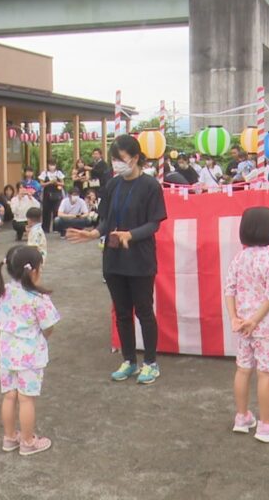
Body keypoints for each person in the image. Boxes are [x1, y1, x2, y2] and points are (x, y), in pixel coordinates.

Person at [66, 134, 167, 385]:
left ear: (134, 158)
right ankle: (129, 360)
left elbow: (154, 223)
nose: (116, 164)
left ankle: (150, 363)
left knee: (144, 310)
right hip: (113, 259)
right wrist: (92, 233)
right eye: (113, 159)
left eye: (120, 159)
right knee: (121, 312)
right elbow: (105, 221)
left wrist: (130, 235)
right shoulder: (112, 185)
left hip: (140, 258)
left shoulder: (150, 186)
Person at [225, 207, 269, 443]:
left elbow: (229, 290)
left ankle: (242, 416)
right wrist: (256, 319)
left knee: (243, 369)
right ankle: (266, 425)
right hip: (267, 328)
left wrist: (235, 317)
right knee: (265, 374)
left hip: (243, 326)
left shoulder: (239, 258)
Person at [0, 245, 60, 456]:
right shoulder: (38, 298)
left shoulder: (3, 292)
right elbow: (48, 326)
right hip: (30, 355)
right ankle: (28, 441)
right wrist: (42, 338)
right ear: (34, 271)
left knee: (10, 396)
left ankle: (10, 437)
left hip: (7, 353)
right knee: (27, 398)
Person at [39, 160, 66, 234]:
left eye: (53, 165)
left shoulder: (59, 173)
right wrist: (49, 182)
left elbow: (63, 183)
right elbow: (41, 184)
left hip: (57, 193)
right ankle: (45, 228)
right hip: (47, 194)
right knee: (46, 211)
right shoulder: (44, 173)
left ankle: (56, 228)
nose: (52, 167)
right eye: (50, 165)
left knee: (56, 210)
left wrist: (56, 182)